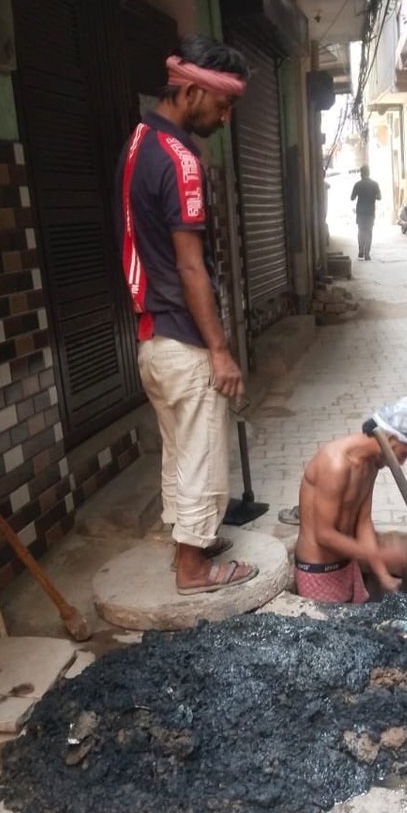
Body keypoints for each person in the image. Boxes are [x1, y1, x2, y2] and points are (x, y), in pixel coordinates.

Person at [116, 35, 258, 595]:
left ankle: (189, 540)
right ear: (193, 89)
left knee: (178, 449)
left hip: (152, 338)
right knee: (202, 453)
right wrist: (220, 351)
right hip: (183, 335)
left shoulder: (138, 141)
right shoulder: (182, 159)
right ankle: (194, 569)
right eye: (222, 105)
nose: (224, 118)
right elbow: (192, 267)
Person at [294, 396, 407, 603]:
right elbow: (324, 535)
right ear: (392, 438)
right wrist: (384, 555)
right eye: (404, 454)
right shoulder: (335, 464)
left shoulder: (370, 465)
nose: (401, 463)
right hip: (319, 572)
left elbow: (363, 521)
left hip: (349, 566)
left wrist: (383, 576)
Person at [350, 165, 381, 260]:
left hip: (360, 212)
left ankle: (361, 250)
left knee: (361, 230)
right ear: (369, 172)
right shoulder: (375, 184)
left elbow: (352, 198)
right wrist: (372, 197)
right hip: (370, 212)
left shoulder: (358, 184)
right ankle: (367, 253)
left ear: (361, 173)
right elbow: (379, 197)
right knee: (369, 231)